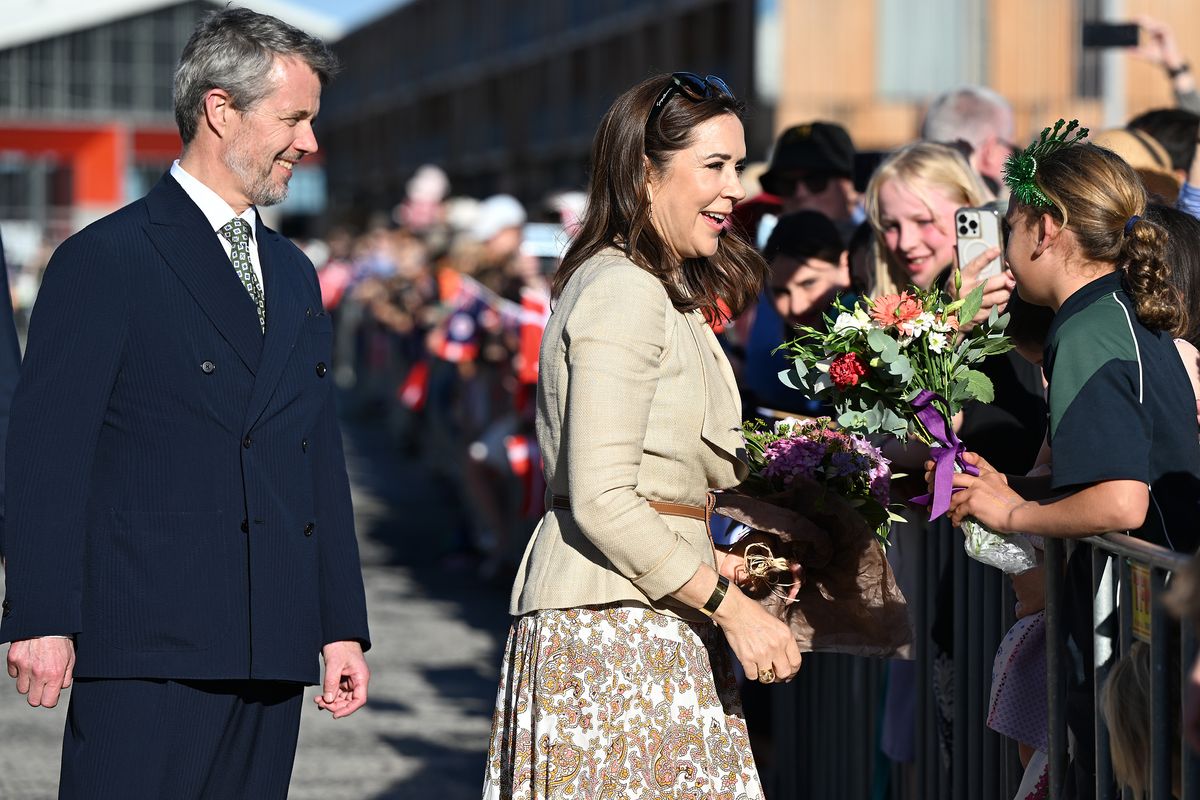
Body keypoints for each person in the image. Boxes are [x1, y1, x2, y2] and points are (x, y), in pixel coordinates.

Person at [0, 9, 371, 798]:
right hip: (144, 645)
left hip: (271, 644)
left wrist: (340, 625)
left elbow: (317, 456)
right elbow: (45, 453)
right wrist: (39, 612)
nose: (309, 142)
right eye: (294, 118)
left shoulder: (295, 272)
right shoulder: (104, 259)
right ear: (220, 109)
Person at [482, 72, 800, 798]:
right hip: (613, 634)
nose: (733, 191)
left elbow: (653, 490)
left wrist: (728, 569)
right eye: (715, 167)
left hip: (641, 618)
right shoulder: (623, 288)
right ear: (645, 173)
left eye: (738, 168)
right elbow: (601, 497)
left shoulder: (652, 287)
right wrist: (734, 611)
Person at [940, 138, 1200, 799]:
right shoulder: (1115, 309)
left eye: (1011, 227)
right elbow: (1114, 468)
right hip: (1153, 621)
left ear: (1046, 228)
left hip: (1144, 629)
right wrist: (1016, 487)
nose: (1003, 247)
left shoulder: (1088, 328)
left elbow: (1120, 503)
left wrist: (1014, 513)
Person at [759, 121, 863, 240]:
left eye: (816, 181)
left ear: (850, 185)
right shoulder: (763, 248)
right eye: (787, 184)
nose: (800, 194)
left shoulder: (879, 246)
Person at [920, 85, 1016, 194]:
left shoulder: (903, 197)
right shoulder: (1016, 207)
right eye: (1010, 146)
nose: (1013, 155)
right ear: (989, 151)